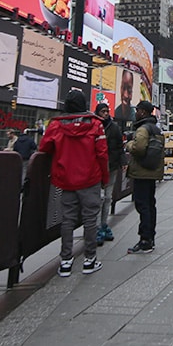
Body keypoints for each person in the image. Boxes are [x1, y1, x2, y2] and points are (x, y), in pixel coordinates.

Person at [38, 89, 108, 277]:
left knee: (67, 219)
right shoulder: (96, 125)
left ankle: (66, 261)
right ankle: (89, 260)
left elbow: (44, 147)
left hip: (66, 180)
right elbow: (102, 154)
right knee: (90, 219)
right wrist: (105, 179)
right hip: (90, 179)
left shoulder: (55, 125)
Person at [125, 100, 164, 254]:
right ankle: (150, 238)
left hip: (141, 173)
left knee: (142, 206)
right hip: (152, 172)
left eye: (138, 110)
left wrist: (128, 145)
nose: (136, 113)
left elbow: (139, 148)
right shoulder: (156, 129)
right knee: (150, 204)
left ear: (143, 112)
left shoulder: (142, 129)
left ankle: (145, 240)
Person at [94, 102, 123, 245]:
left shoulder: (114, 127)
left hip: (111, 166)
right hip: (96, 168)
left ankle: (103, 225)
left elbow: (119, 146)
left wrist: (121, 162)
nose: (105, 114)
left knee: (107, 198)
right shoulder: (93, 125)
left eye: (107, 111)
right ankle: (97, 227)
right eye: (103, 111)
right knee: (99, 198)